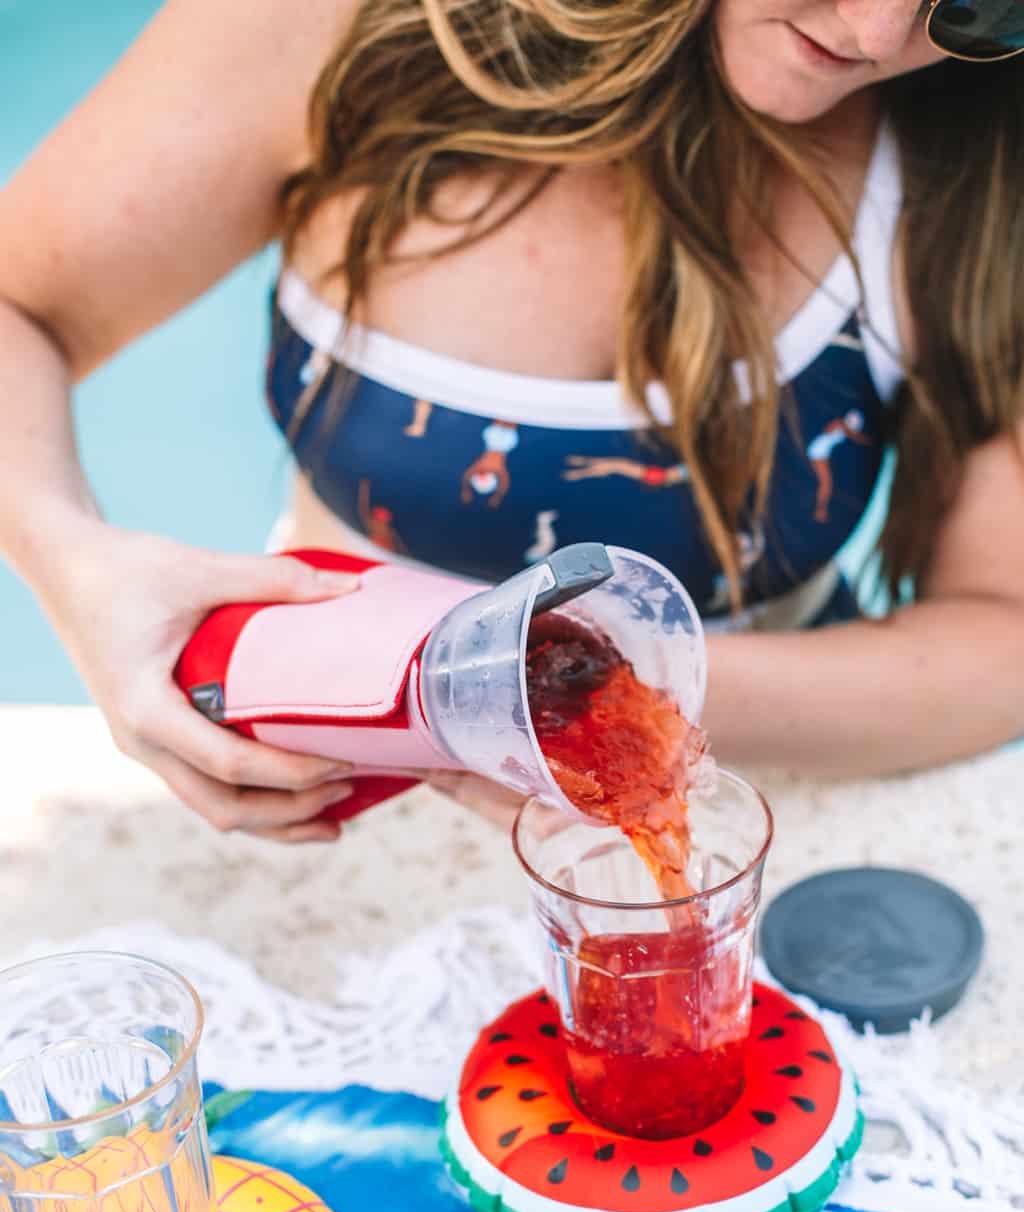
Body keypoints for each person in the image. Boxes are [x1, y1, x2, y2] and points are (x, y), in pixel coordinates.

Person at [1, 0, 1022, 846]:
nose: (877, 33)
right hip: (336, 798)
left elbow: (1001, 629)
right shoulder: (341, 22)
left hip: (753, 801)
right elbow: (18, 306)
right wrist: (77, 569)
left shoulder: (979, 148)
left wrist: (584, 705)